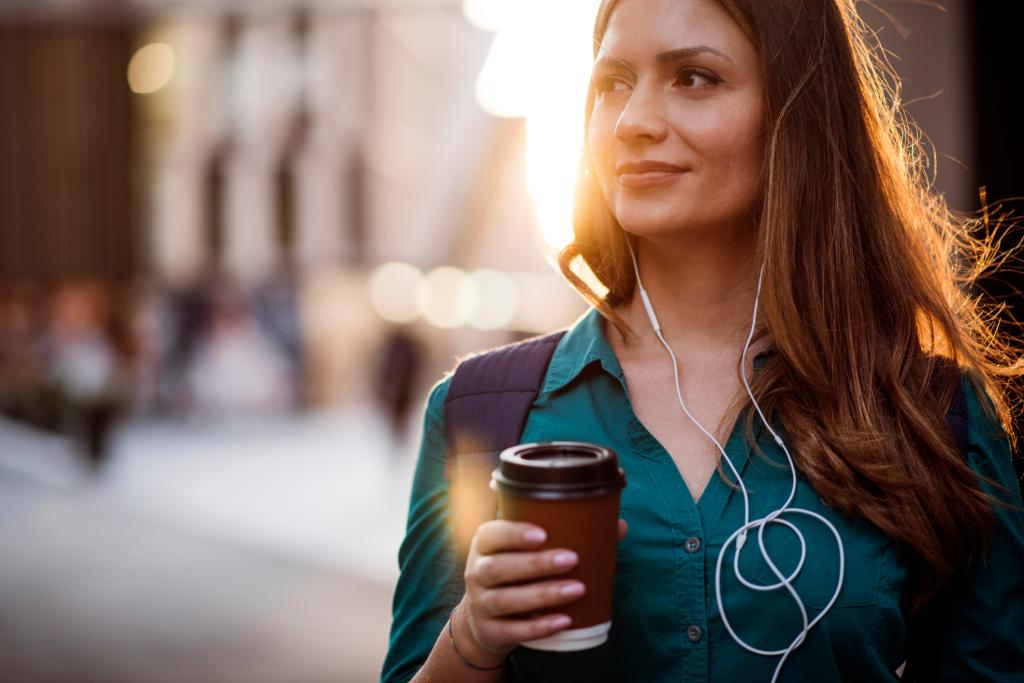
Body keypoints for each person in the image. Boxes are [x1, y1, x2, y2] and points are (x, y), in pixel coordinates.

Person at [381, 1, 1024, 681]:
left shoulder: (935, 415)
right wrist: (473, 637)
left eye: (693, 78)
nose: (633, 123)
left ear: (794, 112)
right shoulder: (478, 413)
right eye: (613, 84)